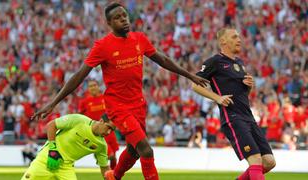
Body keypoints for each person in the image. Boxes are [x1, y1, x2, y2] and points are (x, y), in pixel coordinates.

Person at [32, 2, 209, 180]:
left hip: (138, 104)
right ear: (109, 23)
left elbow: (162, 59)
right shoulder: (103, 46)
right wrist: (53, 103)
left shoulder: (139, 39)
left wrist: (190, 76)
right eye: (117, 18)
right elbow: (79, 75)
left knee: (134, 150)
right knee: (146, 150)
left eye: (124, 16)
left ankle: (114, 176)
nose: (123, 20)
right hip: (118, 107)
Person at [192, 28, 276, 180]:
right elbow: (195, 85)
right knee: (255, 160)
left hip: (248, 117)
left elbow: (243, 94)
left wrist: (249, 86)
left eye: (239, 36)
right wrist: (217, 97)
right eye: (234, 37)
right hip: (233, 117)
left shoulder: (239, 63)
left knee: (269, 162)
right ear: (223, 41)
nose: (239, 40)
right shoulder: (215, 61)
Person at [21, 114, 115, 180]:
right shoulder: (79, 120)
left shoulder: (102, 146)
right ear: (101, 121)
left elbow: (104, 168)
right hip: (47, 158)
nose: (108, 132)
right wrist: (53, 150)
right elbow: (51, 125)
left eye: (112, 130)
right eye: (108, 127)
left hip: (66, 168)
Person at [79, 79, 119, 169]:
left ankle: (115, 176)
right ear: (88, 89)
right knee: (110, 155)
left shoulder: (105, 99)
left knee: (114, 158)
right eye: (90, 86)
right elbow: (80, 117)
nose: (92, 87)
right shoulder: (84, 102)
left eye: (94, 85)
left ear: (98, 87)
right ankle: (109, 173)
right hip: (96, 133)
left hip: (109, 130)